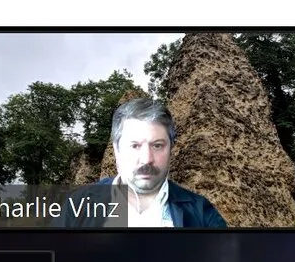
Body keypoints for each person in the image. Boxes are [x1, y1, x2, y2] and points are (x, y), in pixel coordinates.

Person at [53, 97, 228, 229]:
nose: (146, 159)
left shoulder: (201, 213)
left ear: (171, 149)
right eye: (135, 145)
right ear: (117, 150)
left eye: (157, 145)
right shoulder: (77, 206)